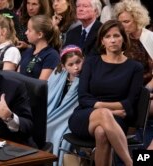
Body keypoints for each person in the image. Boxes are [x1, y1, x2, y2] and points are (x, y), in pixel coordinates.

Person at [69, 20, 143, 166]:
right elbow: (83, 98)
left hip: (117, 121)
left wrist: (107, 111)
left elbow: (129, 103)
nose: (113, 40)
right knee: (103, 114)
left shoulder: (135, 67)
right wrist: (110, 111)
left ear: (123, 38)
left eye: (116, 35)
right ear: (102, 41)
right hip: (85, 116)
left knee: (102, 133)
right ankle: (130, 162)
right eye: (108, 36)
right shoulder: (91, 62)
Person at [113, 0, 153, 116]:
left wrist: (145, 91)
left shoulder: (151, 38)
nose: (122, 26)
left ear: (137, 20)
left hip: (147, 87)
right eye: (119, 22)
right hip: (126, 88)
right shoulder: (120, 39)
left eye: (126, 22)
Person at [47, 45, 84, 165]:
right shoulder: (58, 75)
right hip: (55, 114)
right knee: (44, 126)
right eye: (71, 64)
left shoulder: (86, 77)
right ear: (63, 66)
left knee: (60, 135)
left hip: (74, 117)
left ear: (83, 59)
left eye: (78, 62)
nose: (76, 67)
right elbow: (49, 96)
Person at [18, 15, 61, 80]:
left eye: (29, 30)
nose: (25, 33)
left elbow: (41, 84)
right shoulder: (28, 51)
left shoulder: (52, 55)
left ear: (39, 35)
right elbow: (17, 75)